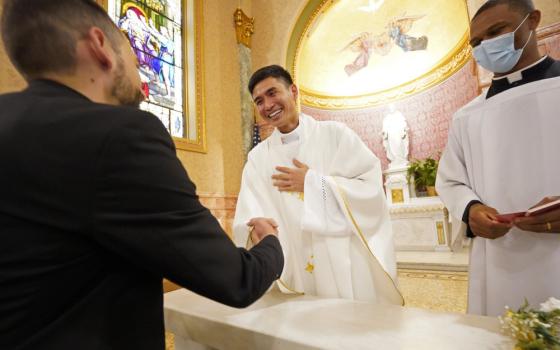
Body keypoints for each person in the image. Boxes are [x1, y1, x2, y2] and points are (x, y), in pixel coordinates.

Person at [0, 1, 283, 349]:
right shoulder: (122, 136)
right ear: (100, 46)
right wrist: (272, 243)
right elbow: (237, 280)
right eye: (132, 54)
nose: (140, 70)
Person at [233, 65, 403, 305]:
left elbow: (370, 186)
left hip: (341, 258)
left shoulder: (335, 135)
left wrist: (313, 183)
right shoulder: (258, 158)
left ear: (293, 91)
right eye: (259, 101)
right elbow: (249, 210)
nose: (267, 105)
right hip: (292, 263)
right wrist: (254, 226)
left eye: (273, 93)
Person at [436, 0, 560, 316]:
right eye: (477, 43)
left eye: (496, 31)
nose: (486, 46)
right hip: (499, 258)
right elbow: (450, 179)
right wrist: (471, 209)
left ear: (532, 21)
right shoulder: (467, 116)